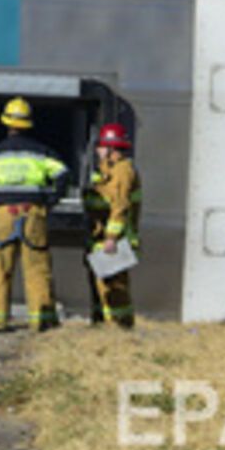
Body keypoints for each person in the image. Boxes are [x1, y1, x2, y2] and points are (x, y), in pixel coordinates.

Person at [0, 97, 69, 333]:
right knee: (37, 268)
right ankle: (42, 320)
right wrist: (51, 200)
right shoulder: (41, 153)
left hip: (2, 213)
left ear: (5, 123)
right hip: (33, 212)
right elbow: (63, 174)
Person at [84, 122, 142, 328]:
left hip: (116, 239)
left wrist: (111, 237)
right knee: (101, 285)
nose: (98, 150)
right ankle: (103, 325)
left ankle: (119, 328)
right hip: (101, 237)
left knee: (114, 288)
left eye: (101, 146)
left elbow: (120, 205)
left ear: (110, 148)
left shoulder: (123, 171)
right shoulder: (108, 169)